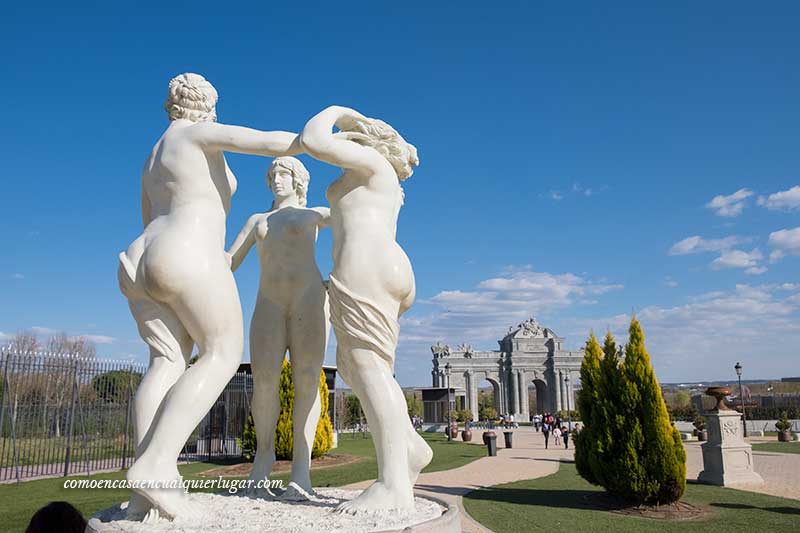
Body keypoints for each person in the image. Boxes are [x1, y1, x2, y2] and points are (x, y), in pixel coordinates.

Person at [119, 73, 302, 519]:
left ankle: (147, 494)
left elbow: (146, 214)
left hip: (141, 255)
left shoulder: (154, 153)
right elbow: (268, 141)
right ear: (207, 106)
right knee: (222, 352)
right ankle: (157, 463)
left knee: (165, 363)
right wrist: (318, 140)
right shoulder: (200, 132)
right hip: (188, 249)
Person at [299, 105, 432, 512]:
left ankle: (393, 484)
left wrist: (339, 111)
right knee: (354, 364)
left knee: (366, 365)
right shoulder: (368, 175)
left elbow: (312, 140)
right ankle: (410, 448)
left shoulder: (373, 164)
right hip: (371, 264)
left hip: (367, 264)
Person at [227, 157, 330, 498]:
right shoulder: (257, 220)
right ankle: (264, 456)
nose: (276, 180)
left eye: (283, 174)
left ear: (298, 179)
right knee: (266, 382)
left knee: (306, 381)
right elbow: (228, 261)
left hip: (309, 299)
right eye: (272, 175)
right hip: (269, 302)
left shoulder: (314, 213)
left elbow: (355, 228)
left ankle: (301, 470)